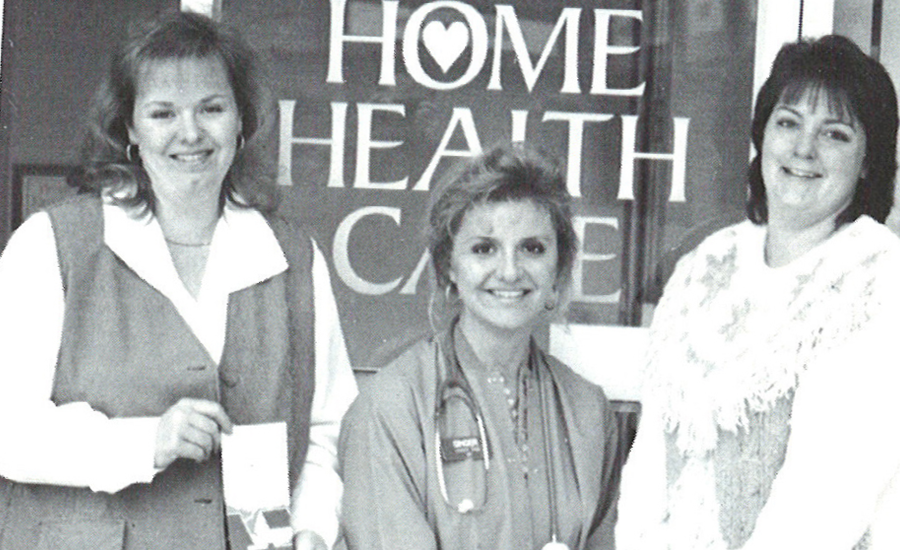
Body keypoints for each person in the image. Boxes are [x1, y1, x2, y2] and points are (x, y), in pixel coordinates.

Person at [0, 12, 357, 550]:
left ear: (242, 121)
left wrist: (312, 528)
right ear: (130, 129)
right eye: (163, 113)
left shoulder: (293, 260)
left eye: (211, 108)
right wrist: (146, 441)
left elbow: (328, 433)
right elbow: (8, 431)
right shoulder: (50, 245)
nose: (190, 133)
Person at [615, 34, 900, 550]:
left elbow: (826, 500)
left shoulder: (880, 279)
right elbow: (650, 463)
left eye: (835, 134)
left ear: (867, 162)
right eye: (788, 122)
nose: (803, 149)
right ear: (762, 135)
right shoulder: (705, 264)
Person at [339, 142, 621, 550]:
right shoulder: (393, 406)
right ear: (448, 268)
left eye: (533, 248)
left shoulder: (588, 410)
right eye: (484, 248)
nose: (509, 270)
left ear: (558, 270)